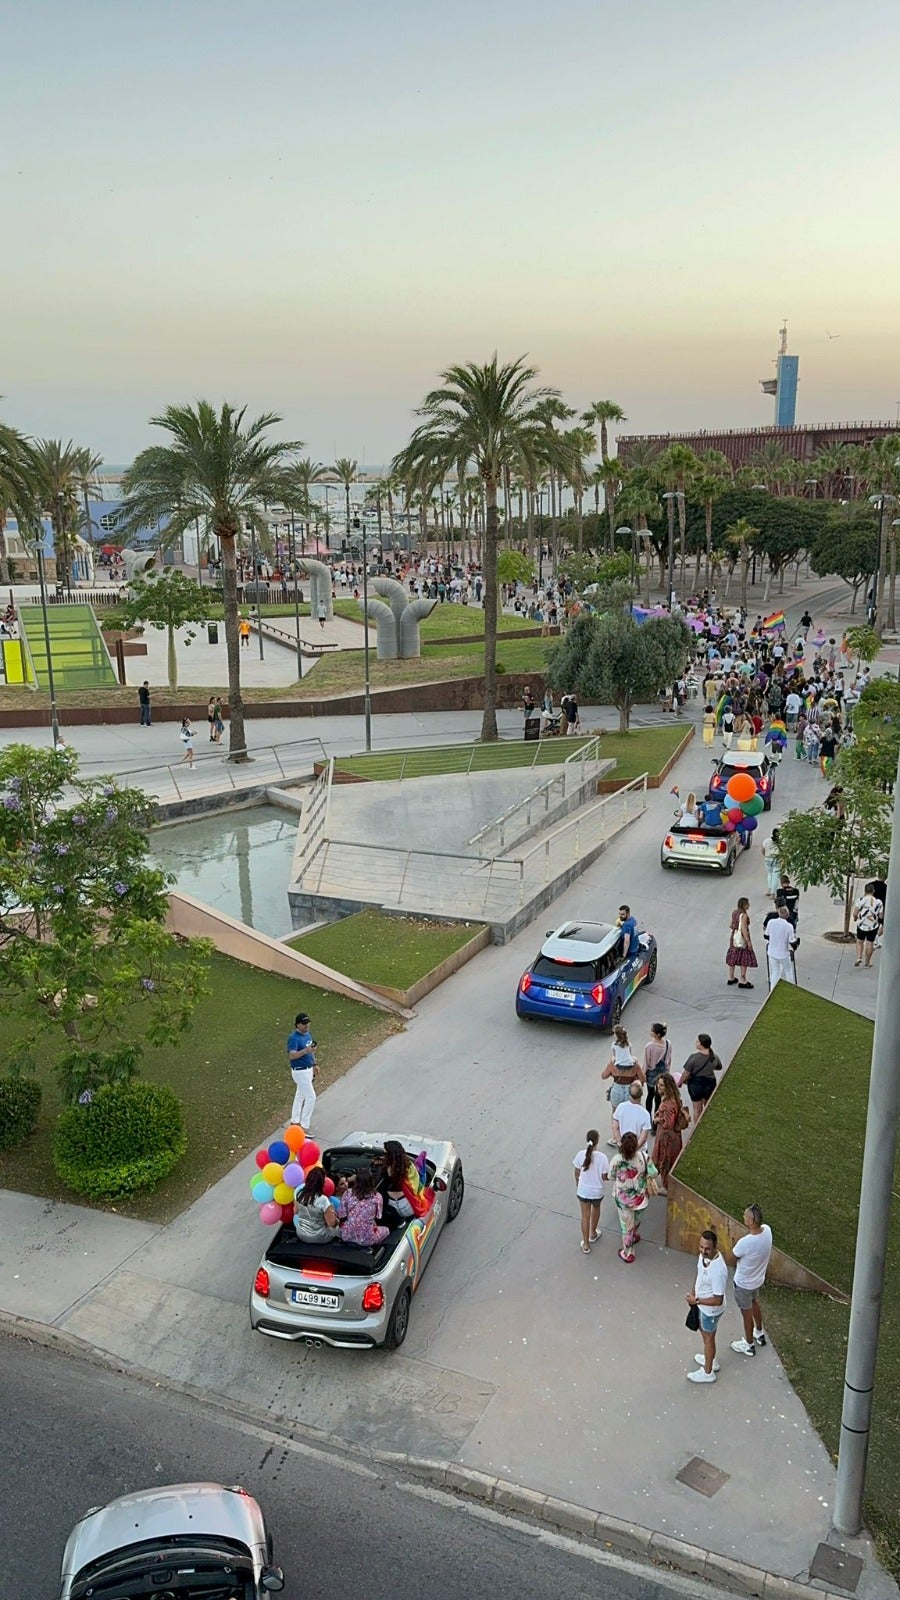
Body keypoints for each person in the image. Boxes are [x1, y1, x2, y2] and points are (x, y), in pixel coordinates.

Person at [686, 1227, 728, 1383]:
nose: (703, 1251)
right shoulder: (704, 1257)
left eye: (707, 1248)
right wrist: (694, 1292)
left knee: (708, 1339)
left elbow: (718, 1299)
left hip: (710, 1310)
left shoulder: (718, 1271)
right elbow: (699, 1274)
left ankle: (708, 1371)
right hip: (701, 1305)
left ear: (715, 1247)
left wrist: (696, 1301)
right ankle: (711, 1359)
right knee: (707, 1337)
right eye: (701, 1247)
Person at [730, 1204, 773, 1355]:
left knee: (746, 1313)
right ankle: (759, 1333)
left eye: (745, 1216)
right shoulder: (767, 1231)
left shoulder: (746, 1242)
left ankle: (748, 1345)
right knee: (754, 1303)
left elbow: (732, 1257)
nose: (743, 1217)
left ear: (751, 1220)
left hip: (743, 1284)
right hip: (757, 1281)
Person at [609, 1132, 652, 1265]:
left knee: (626, 1227)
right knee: (636, 1220)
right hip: (641, 1198)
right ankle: (634, 1235)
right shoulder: (643, 1157)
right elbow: (654, 1173)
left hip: (623, 1200)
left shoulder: (616, 1160)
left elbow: (611, 1176)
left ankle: (628, 1253)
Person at [601, 1025, 642, 1144]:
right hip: (630, 1089)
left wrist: (612, 1061)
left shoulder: (614, 1047)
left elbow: (603, 1075)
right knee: (629, 1113)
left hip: (617, 1089)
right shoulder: (630, 1047)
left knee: (615, 1113)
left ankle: (615, 1138)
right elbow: (641, 1076)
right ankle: (630, 1136)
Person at [573, 1129, 609, 1253]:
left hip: (583, 1191)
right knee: (596, 1209)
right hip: (597, 1192)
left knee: (585, 1216)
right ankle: (593, 1233)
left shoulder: (580, 1154)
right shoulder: (603, 1158)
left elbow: (577, 1172)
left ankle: (586, 1244)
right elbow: (605, 1176)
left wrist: (578, 1183)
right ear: (598, 1141)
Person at [379, 1139, 434, 1219]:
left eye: (384, 1153)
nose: (383, 1156)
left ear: (389, 1155)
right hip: (411, 1207)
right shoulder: (409, 1167)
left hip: (396, 1209)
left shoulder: (387, 1171)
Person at [337, 1166, 390, 1246]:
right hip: (367, 1239)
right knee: (387, 1230)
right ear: (371, 1181)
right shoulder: (377, 1197)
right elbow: (378, 1216)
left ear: (356, 1181)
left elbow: (342, 1214)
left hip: (347, 1235)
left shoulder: (347, 1193)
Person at [652, 1073, 686, 1191]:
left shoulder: (667, 1105)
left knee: (665, 1161)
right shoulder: (674, 1098)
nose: (658, 1087)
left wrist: (657, 1119)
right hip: (674, 1136)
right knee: (670, 1160)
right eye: (658, 1084)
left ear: (668, 1086)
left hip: (667, 1139)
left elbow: (668, 1124)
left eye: (661, 1085)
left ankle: (667, 1188)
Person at [678, 1033, 721, 1124]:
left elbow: (686, 1073)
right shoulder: (714, 1057)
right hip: (710, 1083)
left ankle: (697, 1127)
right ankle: (709, 1123)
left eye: (697, 1041)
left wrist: (680, 1082)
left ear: (701, 1045)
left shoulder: (694, 1058)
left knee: (697, 1109)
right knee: (707, 1106)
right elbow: (719, 1067)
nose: (696, 1042)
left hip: (695, 1085)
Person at [293, 1166, 340, 1242]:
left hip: (301, 1234)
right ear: (322, 1183)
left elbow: (296, 1211)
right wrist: (337, 1221)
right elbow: (331, 1223)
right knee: (337, 1229)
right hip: (320, 1237)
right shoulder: (323, 1200)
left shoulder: (299, 1194)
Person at [287, 1010, 317, 1129]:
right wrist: (306, 1051)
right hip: (300, 1071)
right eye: (304, 1024)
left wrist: (314, 1064)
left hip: (308, 1069)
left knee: (300, 1095)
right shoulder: (294, 1038)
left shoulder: (308, 1035)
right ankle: (304, 1125)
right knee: (311, 1097)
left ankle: (295, 1121)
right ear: (298, 1025)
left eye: (308, 1023)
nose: (307, 1026)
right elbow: (292, 1055)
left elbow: (311, 1050)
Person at [643, 1021, 672, 1123]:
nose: (651, 1032)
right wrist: (667, 1073)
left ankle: (648, 1120)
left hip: (651, 1072)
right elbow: (668, 1060)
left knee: (650, 1096)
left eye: (652, 1031)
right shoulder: (668, 1044)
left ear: (657, 1034)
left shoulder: (649, 1046)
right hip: (662, 1072)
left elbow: (646, 1062)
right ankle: (657, 1120)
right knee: (659, 1096)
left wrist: (643, 1075)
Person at [725, 897, 757, 989]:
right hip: (742, 939)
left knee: (733, 956)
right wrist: (748, 941)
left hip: (734, 937)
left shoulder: (735, 912)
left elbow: (731, 925)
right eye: (748, 903)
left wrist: (735, 929)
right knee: (744, 958)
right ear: (744, 905)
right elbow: (744, 929)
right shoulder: (743, 915)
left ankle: (731, 977)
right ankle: (743, 980)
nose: (749, 905)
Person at [764, 903, 798, 989]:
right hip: (783, 953)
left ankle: (772, 989)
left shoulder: (771, 922)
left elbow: (766, 935)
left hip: (772, 951)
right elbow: (791, 941)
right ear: (787, 914)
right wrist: (796, 942)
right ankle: (791, 988)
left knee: (775, 971)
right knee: (788, 970)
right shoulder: (788, 926)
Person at [613, 1081, 652, 1150]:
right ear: (641, 1094)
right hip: (639, 1150)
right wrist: (634, 1149)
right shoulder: (645, 1114)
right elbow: (643, 1137)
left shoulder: (621, 1107)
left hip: (624, 1147)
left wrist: (620, 1143)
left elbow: (615, 1127)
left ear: (629, 1094)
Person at [854, 882, 883, 969]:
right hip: (873, 926)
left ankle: (859, 957)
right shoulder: (878, 902)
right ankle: (867, 962)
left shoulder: (860, 900)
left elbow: (855, 913)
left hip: (862, 925)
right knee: (870, 943)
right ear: (873, 891)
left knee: (859, 941)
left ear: (865, 891)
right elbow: (881, 916)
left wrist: (855, 919)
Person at [761, 828, 781, 896]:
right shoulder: (781, 842)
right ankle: (773, 893)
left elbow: (763, 850)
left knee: (770, 874)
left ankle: (769, 890)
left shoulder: (766, 841)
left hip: (768, 859)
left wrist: (766, 856)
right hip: (777, 860)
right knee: (775, 876)